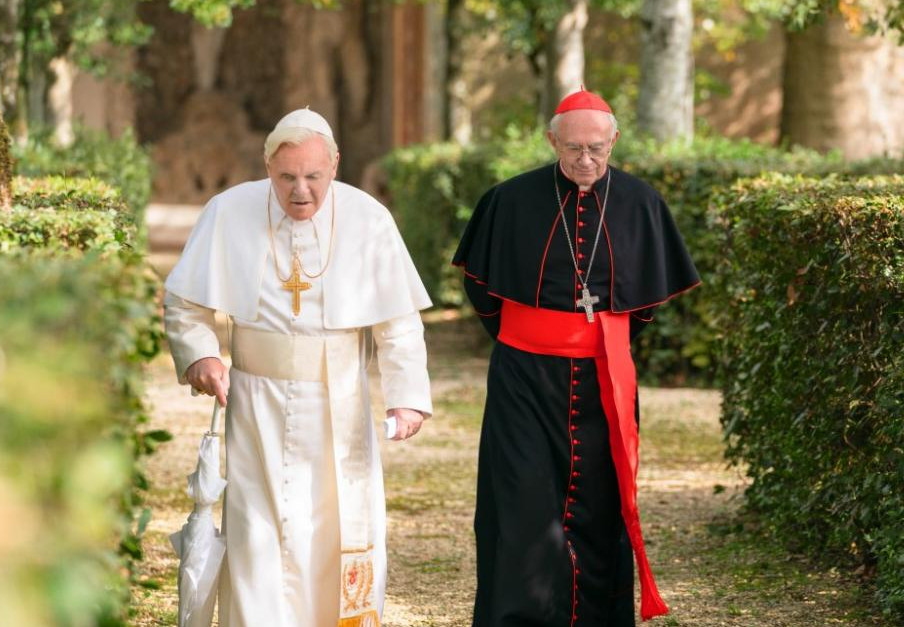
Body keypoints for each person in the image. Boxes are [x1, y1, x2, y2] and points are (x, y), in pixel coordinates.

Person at [163, 107, 433, 627]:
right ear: (268, 167)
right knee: (257, 533)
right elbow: (184, 304)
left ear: (335, 164)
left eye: (313, 176)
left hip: (341, 407)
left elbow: (397, 322)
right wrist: (199, 354)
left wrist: (406, 397)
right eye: (287, 177)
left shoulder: (368, 218)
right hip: (254, 403)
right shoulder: (229, 211)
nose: (301, 191)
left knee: (334, 531)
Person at [453, 87, 700, 626]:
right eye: (573, 150)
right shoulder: (508, 200)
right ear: (551, 141)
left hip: (604, 379)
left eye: (597, 149)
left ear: (614, 140)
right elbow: (482, 293)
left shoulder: (640, 202)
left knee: (599, 507)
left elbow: (647, 303)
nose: (586, 160)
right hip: (524, 376)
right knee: (519, 506)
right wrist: (538, 336)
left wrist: (595, 338)